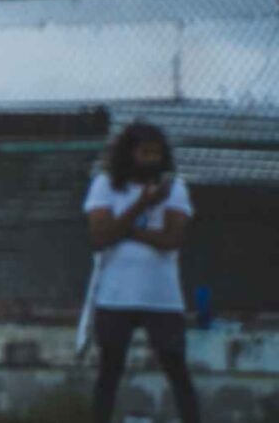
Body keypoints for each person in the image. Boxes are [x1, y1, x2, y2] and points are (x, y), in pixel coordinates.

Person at [85, 120, 200, 423]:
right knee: (109, 372)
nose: (151, 159)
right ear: (129, 153)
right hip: (115, 295)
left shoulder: (174, 188)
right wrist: (142, 205)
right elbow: (99, 238)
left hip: (161, 297)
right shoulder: (105, 185)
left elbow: (171, 240)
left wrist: (126, 230)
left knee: (176, 369)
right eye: (144, 152)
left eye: (156, 153)